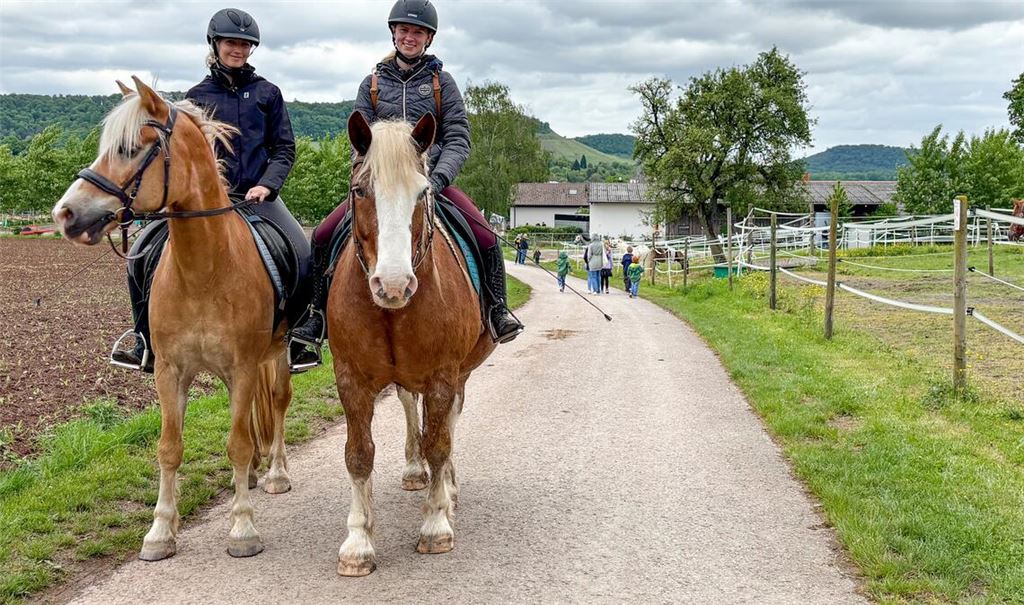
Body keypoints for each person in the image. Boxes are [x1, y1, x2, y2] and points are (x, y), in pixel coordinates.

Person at [288, 0, 524, 363]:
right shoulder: (372, 84)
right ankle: (314, 319)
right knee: (322, 235)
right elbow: (359, 141)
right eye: (404, 30)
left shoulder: (441, 83)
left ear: (428, 38)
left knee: (486, 236)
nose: (409, 37)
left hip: (428, 183)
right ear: (393, 33)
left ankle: (496, 311)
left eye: (417, 32)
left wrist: (437, 178)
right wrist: (373, 178)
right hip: (381, 186)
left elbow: (459, 137)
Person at [112, 8, 309, 373]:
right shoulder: (196, 96)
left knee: (302, 249)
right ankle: (145, 341)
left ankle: (297, 337)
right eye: (232, 43)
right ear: (215, 44)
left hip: (256, 198)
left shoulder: (268, 93)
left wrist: (267, 184)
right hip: (203, 203)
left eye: (246, 45)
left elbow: (284, 148)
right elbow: (181, 151)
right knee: (142, 252)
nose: (239, 50)